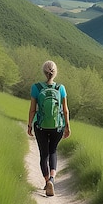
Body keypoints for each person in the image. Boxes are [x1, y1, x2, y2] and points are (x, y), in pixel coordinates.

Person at [27, 60, 70, 196]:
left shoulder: (36, 88)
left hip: (40, 126)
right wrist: (67, 127)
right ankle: (52, 178)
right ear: (55, 72)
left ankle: (47, 182)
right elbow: (65, 110)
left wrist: (29, 125)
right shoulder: (60, 88)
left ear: (43, 72)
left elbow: (33, 110)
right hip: (58, 126)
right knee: (53, 151)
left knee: (43, 154)